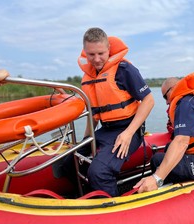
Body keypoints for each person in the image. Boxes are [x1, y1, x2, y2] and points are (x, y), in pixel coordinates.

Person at [63, 27, 154, 197]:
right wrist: (84, 142)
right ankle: (86, 195)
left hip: (129, 129)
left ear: (108, 50)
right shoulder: (89, 75)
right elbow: (94, 115)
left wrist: (128, 134)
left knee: (99, 172)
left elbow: (149, 100)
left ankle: (112, 207)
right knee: (69, 162)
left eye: (101, 53)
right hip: (106, 130)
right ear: (85, 52)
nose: (96, 59)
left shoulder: (124, 70)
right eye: (91, 55)